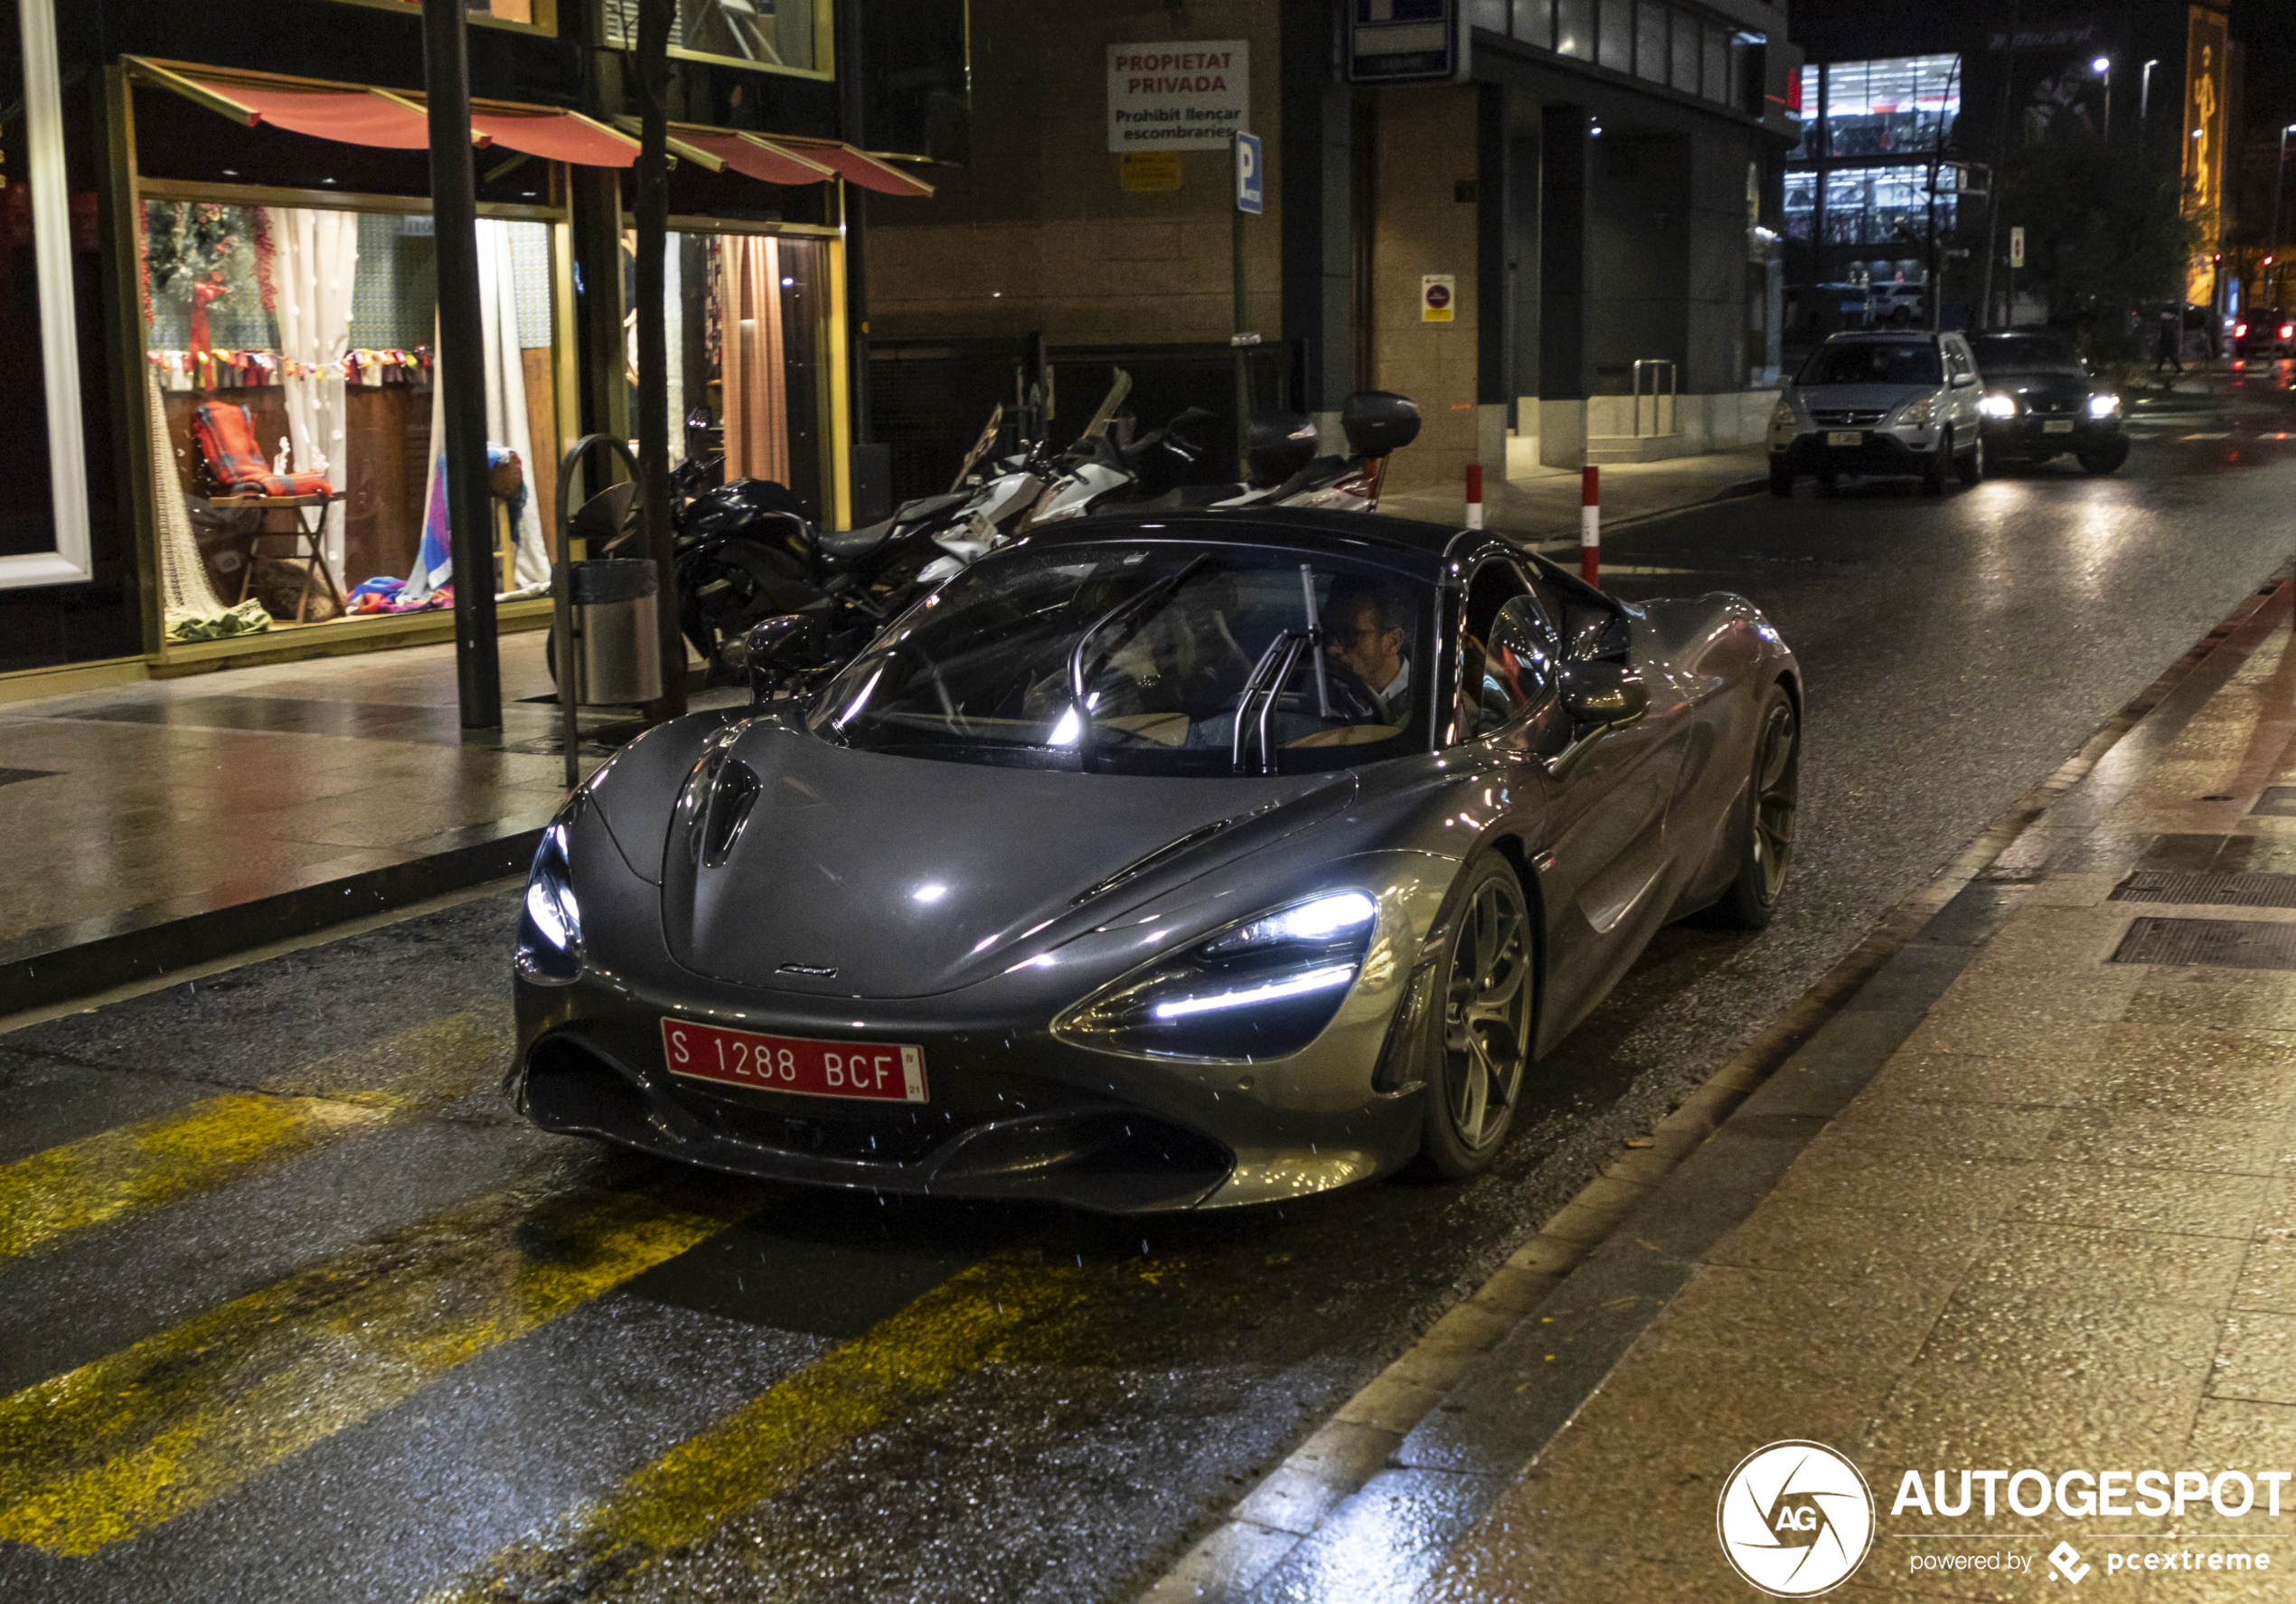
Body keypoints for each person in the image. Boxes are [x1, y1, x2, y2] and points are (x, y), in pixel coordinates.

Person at [1322, 577, 1413, 724]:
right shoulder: (1320, 694)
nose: (1332, 649)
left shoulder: (1435, 706)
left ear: (1393, 642)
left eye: (1349, 635)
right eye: (1330, 633)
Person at [2156, 307, 2185, 383]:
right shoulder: (2170, 321)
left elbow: (2167, 333)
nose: (2162, 315)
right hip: (2168, 342)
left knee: (2169, 356)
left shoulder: (2169, 322)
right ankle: (2159, 369)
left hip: (2168, 342)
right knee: (2165, 356)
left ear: (2170, 315)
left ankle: (2178, 369)